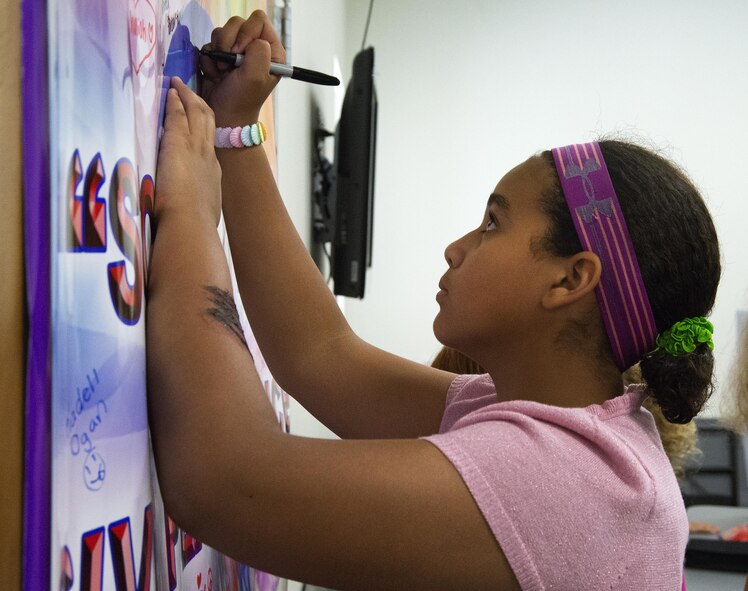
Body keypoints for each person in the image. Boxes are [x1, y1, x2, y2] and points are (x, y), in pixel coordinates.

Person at [147, 11, 721, 590]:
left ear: (570, 281)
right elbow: (322, 355)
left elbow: (222, 481)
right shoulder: (560, 427)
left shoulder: (569, 483)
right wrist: (236, 130)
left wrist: (193, 214)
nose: (456, 248)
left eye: (493, 224)